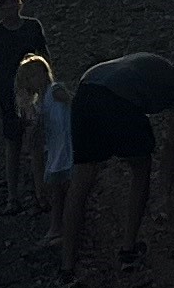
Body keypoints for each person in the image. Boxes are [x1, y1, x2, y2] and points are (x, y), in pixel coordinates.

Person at [78, 50, 174, 228]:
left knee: (82, 175)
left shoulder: (160, 68)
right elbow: (171, 141)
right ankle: (130, 245)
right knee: (142, 166)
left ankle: (65, 245)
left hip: (87, 84)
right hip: (118, 95)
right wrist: (167, 186)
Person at [61, 62, 157, 276]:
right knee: (141, 166)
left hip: (85, 91)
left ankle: (67, 266)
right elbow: (172, 136)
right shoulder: (172, 82)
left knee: (82, 179)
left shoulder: (136, 64)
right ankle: (128, 250)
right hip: (114, 97)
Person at [0, 0, 44, 210]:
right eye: (5, 4)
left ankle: (41, 194)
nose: (11, 7)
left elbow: (44, 60)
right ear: (0, 8)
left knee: (36, 143)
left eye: (13, 2)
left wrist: (47, 89)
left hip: (32, 93)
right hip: (8, 95)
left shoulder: (33, 27)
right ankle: (12, 197)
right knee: (13, 145)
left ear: (19, 3)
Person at [23, 54, 73, 260]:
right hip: (55, 149)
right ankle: (56, 228)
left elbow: (74, 103)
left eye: (37, 74)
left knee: (66, 189)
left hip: (68, 146)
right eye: (30, 77)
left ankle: (62, 229)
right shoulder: (40, 104)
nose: (35, 79)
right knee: (57, 191)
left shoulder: (56, 91)